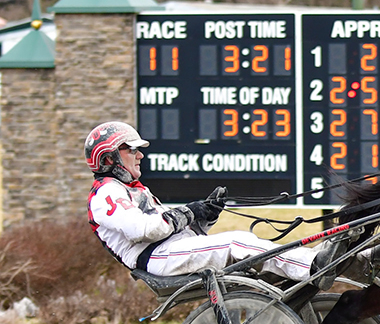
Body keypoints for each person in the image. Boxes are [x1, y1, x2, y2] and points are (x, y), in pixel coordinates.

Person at [84, 121, 343, 289]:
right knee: (238, 243)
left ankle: (335, 262)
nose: (140, 155)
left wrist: (204, 217)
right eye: (132, 150)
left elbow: (169, 227)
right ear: (109, 158)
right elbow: (145, 230)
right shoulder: (107, 193)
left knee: (244, 243)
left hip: (167, 251)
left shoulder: (130, 190)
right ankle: (315, 266)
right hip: (156, 259)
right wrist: (189, 211)